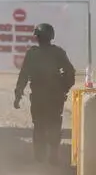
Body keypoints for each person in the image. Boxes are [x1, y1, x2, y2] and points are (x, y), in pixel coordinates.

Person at [13, 23, 76, 165]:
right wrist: (63, 89)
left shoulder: (32, 53)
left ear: (38, 37)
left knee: (39, 125)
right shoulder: (58, 52)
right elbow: (70, 73)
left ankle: (40, 158)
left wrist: (18, 95)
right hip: (55, 97)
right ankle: (53, 155)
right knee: (54, 124)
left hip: (38, 97)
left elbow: (23, 76)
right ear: (51, 36)